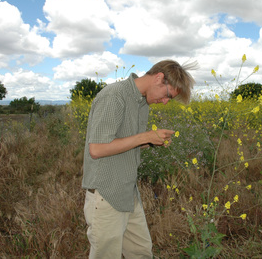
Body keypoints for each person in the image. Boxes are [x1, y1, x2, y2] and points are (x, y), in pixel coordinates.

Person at [82, 59, 197, 258]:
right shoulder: (114, 96)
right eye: (168, 95)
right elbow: (97, 149)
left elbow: (124, 142)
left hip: (128, 191)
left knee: (142, 252)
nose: (165, 102)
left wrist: (151, 141)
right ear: (159, 78)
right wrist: (144, 136)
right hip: (106, 193)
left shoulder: (142, 102)